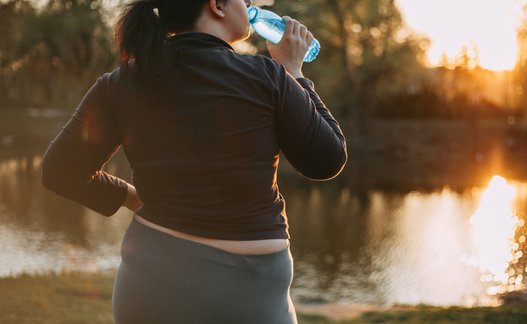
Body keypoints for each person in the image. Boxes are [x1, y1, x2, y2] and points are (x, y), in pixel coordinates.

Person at [41, 0, 347, 322]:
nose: (251, 5)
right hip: (249, 299)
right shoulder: (269, 76)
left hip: (148, 288)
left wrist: (131, 198)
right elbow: (327, 160)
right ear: (217, 5)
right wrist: (295, 73)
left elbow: (60, 170)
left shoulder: (121, 82)